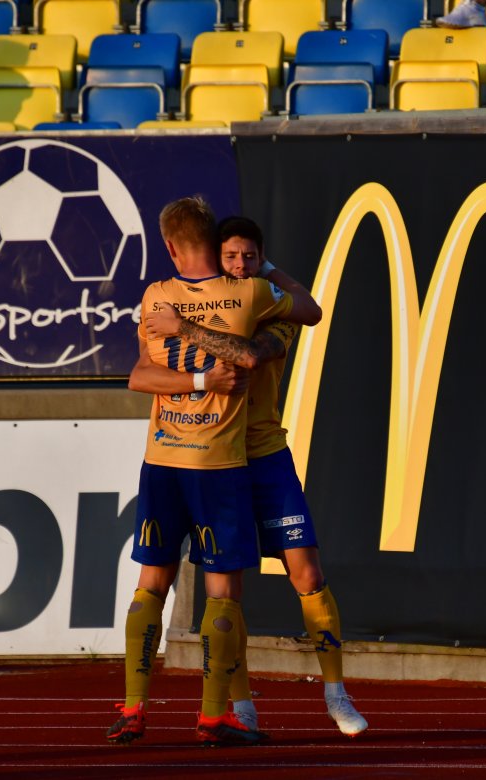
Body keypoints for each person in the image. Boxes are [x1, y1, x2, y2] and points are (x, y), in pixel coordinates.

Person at [108, 197, 322, 747]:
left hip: (162, 459)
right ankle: (211, 717)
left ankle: (133, 708)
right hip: (217, 463)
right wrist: (267, 268)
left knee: (150, 582)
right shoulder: (251, 293)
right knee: (222, 590)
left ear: (170, 245)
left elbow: (139, 376)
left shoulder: (156, 297)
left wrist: (188, 369)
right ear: (214, 242)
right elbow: (309, 308)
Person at [143, 217, 368, 737]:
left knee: (307, 574)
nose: (240, 265)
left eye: (251, 256)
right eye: (231, 256)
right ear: (216, 259)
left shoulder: (267, 304)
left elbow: (254, 349)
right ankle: (241, 704)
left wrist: (187, 326)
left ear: (262, 259)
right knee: (230, 590)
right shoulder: (207, 300)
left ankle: (336, 693)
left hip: (266, 454)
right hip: (217, 460)